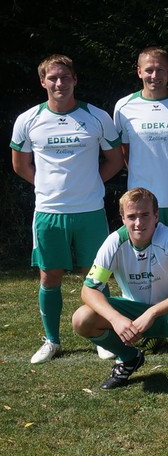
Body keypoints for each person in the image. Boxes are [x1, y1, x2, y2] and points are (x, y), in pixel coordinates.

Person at [11, 54, 124, 363]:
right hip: (49, 213)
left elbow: (115, 160)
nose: (59, 83)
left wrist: (89, 184)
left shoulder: (97, 117)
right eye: (53, 78)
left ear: (75, 79)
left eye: (65, 77)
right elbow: (20, 165)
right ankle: (52, 340)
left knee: (96, 276)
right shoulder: (28, 119)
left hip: (89, 211)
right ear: (43, 82)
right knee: (50, 277)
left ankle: (101, 335)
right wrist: (47, 187)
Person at [71, 188, 168, 389]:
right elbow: (88, 290)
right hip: (133, 316)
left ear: (156, 216)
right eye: (132, 216)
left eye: (145, 215)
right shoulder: (114, 242)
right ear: (123, 219)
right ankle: (129, 358)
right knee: (81, 318)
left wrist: (152, 313)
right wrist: (115, 319)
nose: (138, 223)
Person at [113, 47, 168, 250]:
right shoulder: (123, 107)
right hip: (142, 199)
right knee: (145, 254)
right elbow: (125, 152)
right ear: (139, 72)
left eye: (160, 70)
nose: (154, 75)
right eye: (149, 70)